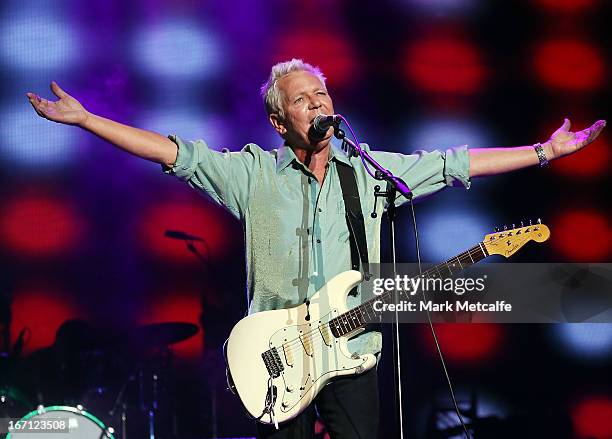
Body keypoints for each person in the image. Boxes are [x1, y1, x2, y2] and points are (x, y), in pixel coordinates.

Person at [27, 59, 605, 439]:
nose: (318, 102)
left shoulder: (370, 172)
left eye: (322, 92)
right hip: (277, 356)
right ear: (280, 122)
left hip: (352, 349)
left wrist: (544, 152)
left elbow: (455, 164)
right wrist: (88, 120)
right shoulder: (253, 175)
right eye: (303, 99)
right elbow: (172, 153)